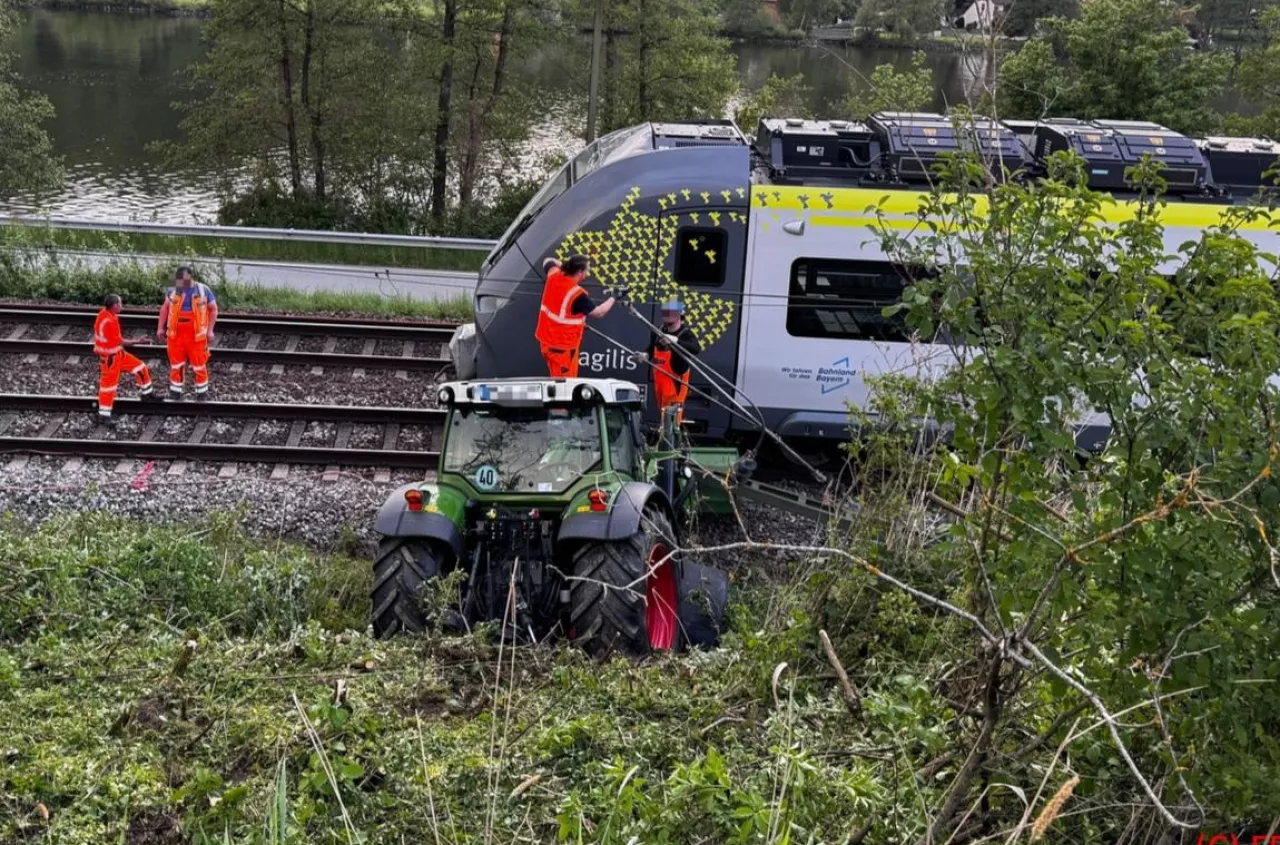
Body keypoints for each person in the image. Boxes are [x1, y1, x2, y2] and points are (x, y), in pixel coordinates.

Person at [535, 254, 615, 378]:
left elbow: (548, 260)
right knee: (564, 388)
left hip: (547, 343)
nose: (587, 274)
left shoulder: (554, 274)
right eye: (586, 270)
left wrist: (565, 267)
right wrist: (614, 297)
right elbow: (599, 312)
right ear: (579, 272)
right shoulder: (577, 294)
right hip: (562, 349)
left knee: (555, 381)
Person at [94, 294, 159, 424]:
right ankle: (103, 416)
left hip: (118, 354)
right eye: (120, 304)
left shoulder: (105, 313)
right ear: (114, 306)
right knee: (108, 388)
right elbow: (122, 342)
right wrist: (139, 341)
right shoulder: (110, 322)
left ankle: (147, 394)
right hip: (110, 360)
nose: (122, 306)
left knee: (140, 367)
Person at [633, 300, 701, 423]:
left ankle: (672, 439)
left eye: (671, 312)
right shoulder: (658, 330)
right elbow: (651, 348)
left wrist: (675, 340)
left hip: (675, 382)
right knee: (663, 415)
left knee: (672, 419)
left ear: (679, 314)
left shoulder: (685, 333)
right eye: (665, 312)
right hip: (659, 380)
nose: (667, 315)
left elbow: (696, 348)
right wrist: (645, 355)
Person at [156, 265, 218, 401]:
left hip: (196, 335)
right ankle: (175, 393)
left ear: (190, 277)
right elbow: (165, 308)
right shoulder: (173, 290)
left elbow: (213, 309)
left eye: (184, 280)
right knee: (176, 364)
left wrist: (210, 330)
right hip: (176, 334)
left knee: (199, 365)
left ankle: (202, 395)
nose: (182, 283)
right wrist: (160, 328)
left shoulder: (203, 290)